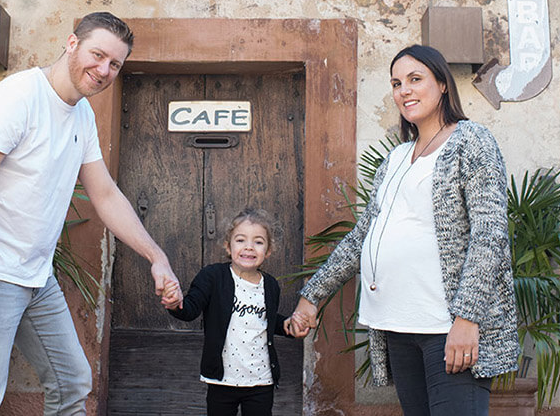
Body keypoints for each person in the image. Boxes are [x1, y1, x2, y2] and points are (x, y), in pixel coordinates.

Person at [0, 11, 183, 415]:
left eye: (115, 64)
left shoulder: (82, 114)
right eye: (97, 55)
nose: (103, 70)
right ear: (72, 44)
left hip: (36, 277)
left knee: (72, 382)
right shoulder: (19, 97)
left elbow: (104, 195)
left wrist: (157, 257)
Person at [289, 44, 518, 416]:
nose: (404, 91)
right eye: (397, 83)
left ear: (442, 83)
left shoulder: (471, 141)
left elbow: (489, 235)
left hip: (447, 325)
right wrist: (312, 295)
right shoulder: (395, 158)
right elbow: (362, 236)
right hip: (398, 325)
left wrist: (467, 318)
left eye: (415, 79)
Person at [166, 208, 307, 416]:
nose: (249, 247)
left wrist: (287, 326)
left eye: (258, 242)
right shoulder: (213, 277)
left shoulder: (270, 285)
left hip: (261, 379)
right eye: (241, 240)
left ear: (268, 251)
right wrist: (175, 304)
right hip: (222, 379)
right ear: (228, 246)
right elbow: (190, 309)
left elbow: (264, 320)